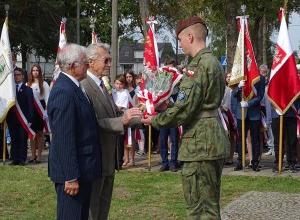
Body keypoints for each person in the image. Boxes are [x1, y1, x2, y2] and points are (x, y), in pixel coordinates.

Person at [142, 16, 229, 219]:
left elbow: (186, 110)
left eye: (180, 40)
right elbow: (198, 104)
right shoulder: (214, 62)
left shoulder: (196, 67)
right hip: (212, 137)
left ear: (190, 37)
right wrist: (169, 106)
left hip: (200, 144)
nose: (180, 45)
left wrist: (154, 119)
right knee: (210, 203)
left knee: (199, 209)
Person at [81, 42, 142, 220]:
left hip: (108, 158)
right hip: (95, 158)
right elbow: (92, 122)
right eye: (106, 60)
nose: (109, 63)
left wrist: (143, 117)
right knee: (93, 208)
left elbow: (115, 113)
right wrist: (121, 120)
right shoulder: (84, 86)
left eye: (110, 59)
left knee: (103, 206)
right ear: (91, 62)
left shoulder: (102, 85)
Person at [47, 43, 102, 220]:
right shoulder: (64, 91)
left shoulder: (74, 87)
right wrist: (70, 177)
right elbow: (64, 138)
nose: (88, 66)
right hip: (72, 175)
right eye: (85, 63)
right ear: (72, 66)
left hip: (83, 170)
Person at [233, 74, 265, 172]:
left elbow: (260, 96)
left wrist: (248, 103)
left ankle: (255, 162)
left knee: (255, 138)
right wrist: (238, 87)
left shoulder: (260, 78)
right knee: (240, 139)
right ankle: (240, 161)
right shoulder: (239, 74)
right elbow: (234, 95)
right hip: (241, 113)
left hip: (254, 112)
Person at [6, 68, 34, 166]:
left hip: (24, 120)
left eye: (18, 74)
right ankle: (15, 159)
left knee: (22, 139)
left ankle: (22, 159)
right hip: (11, 119)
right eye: (15, 75)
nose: (16, 76)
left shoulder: (28, 90)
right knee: (14, 140)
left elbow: (31, 106)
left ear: (22, 76)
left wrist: (30, 119)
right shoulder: (10, 90)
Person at [27, 64, 50, 163]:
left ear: (39, 72)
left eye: (37, 70)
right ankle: (32, 155)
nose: (35, 72)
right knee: (32, 134)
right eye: (33, 70)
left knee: (40, 133)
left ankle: (39, 155)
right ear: (31, 72)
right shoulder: (28, 84)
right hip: (30, 110)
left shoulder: (44, 84)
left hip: (40, 110)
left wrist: (46, 111)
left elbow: (48, 98)